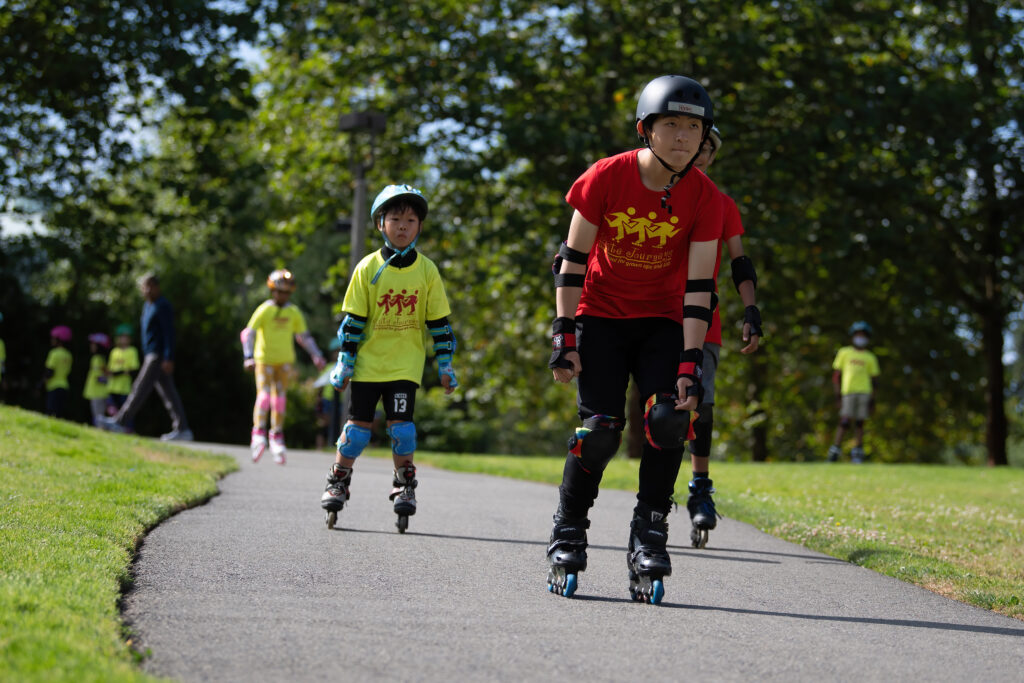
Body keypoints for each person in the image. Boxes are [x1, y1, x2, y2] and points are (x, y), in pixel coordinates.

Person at [545, 75, 721, 604]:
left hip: (664, 322)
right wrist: (564, 333)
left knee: (669, 419)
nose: (684, 137)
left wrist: (691, 360)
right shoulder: (605, 177)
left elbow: (698, 288)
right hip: (600, 314)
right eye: (672, 125)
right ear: (646, 129)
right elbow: (571, 262)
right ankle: (569, 528)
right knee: (599, 429)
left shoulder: (705, 197)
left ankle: (649, 534)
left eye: (694, 127)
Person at [320, 184, 458, 534]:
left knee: (403, 430)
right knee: (356, 433)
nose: (402, 226)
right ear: (380, 223)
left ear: (419, 227)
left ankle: (404, 484)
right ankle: (338, 480)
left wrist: (445, 365)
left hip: (404, 366)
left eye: (411, 220)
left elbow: (439, 324)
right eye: (395, 218)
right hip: (368, 365)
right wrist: (344, 363)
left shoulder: (427, 271)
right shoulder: (367, 268)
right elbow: (352, 323)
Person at [683, 126, 764, 549]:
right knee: (660, 408)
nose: (702, 155)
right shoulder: (654, 196)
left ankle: (700, 485)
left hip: (704, 322)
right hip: (648, 315)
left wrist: (750, 309)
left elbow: (740, 261)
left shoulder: (721, 203)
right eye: (699, 146)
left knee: (703, 405)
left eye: (709, 150)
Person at [240, 269, 326, 464]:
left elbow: (303, 337)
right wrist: (248, 356)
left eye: (286, 293)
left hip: (285, 362)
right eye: (279, 292)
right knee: (263, 397)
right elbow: (248, 333)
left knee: (279, 400)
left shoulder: (293, 312)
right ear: (272, 291)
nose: (282, 296)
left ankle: (277, 435)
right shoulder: (265, 310)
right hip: (264, 360)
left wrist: (316, 355)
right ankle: (258, 433)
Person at [98, 274, 193, 441]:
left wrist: (168, 357)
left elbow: (169, 333)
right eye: (144, 287)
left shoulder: (163, 305)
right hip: (150, 354)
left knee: (139, 388)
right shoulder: (148, 306)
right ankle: (183, 428)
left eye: (150, 286)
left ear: (157, 287)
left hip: (157, 356)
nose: (147, 290)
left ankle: (120, 422)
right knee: (169, 393)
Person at [828, 321, 880, 463]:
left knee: (859, 423)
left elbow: (875, 381)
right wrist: (837, 395)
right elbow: (836, 376)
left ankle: (857, 452)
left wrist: (873, 400)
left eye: (863, 335)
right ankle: (835, 451)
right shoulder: (844, 353)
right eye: (858, 335)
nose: (860, 338)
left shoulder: (870, 357)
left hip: (864, 392)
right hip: (848, 392)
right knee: (844, 421)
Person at [107, 323, 140, 420]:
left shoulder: (132, 351)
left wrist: (119, 373)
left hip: (125, 387)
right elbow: (111, 369)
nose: (124, 339)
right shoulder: (114, 351)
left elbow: (133, 369)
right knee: (112, 409)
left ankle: (127, 429)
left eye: (126, 337)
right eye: (122, 337)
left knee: (125, 410)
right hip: (112, 386)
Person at [44, 325, 73, 418]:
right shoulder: (69, 355)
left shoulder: (54, 353)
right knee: (58, 413)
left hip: (53, 385)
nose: (52, 340)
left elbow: (49, 371)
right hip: (64, 385)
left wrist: (41, 383)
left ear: (59, 340)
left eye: (54, 338)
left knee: (50, 412)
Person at [83, 333, 111, 426]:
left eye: (94, 344)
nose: (91, 346)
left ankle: (100, 430)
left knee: (98, 415)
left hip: (98, 392)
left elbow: (106, 374)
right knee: (97, 414)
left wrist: (101, 379)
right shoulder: (98, 358)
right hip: (96, 391)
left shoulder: (98, 359)